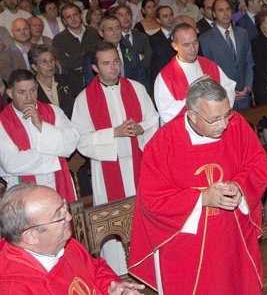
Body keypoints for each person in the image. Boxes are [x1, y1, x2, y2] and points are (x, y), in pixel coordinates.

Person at [129, 77, 267, 294]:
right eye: (214, 119)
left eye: (226, 114)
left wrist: (239, 187)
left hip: (234, 240)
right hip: (188, 252)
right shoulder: (162, 144)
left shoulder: (236, 124)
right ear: (192, 115)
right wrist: (202, 198)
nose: (223, 124)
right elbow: (152, 201)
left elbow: (256, 163)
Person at [72, 42, 158, 275]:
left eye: (116, 61)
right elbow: (80, 139)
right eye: (106, 63)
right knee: (115, 222)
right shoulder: (84, 99)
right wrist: (114, 132)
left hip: (140, 166)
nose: (113, 67)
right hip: (107, 169)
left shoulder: (137, 88)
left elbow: (154, 119)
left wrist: (141, 129)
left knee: (144, 217)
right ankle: (120, 272)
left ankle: (150, 267)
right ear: (94, 67)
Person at [0, 184, 144, 294]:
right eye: (59, 216)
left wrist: (113, 288)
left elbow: (96, 270)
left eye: (64, 207)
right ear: (31, 236)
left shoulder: (61, 243)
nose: (68, 217)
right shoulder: (13, 287)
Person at [0, 70, 78, 199]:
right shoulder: (2, 122)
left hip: (57, 184)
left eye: (33, 90)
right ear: (10, 93)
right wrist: (56, 153)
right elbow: (12, 163)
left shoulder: (53, 111)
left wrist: (41, 125)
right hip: (22, 192)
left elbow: (70, 145)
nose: (29, 97)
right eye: (22, 92)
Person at [154, 23, 236, 123]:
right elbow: (166, 112)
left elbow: (229, 88)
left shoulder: (210, 66)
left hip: (215, 125)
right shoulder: (165, 76)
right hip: (184, 132)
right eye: (186, 45)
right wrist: (200, 98)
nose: (193, 49)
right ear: (175, 46)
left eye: (195, 42)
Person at [199, 0, 254, 110]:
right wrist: (228, 91)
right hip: (222, 99)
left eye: (228, 9)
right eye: (221, 10)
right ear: (214, 14)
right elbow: (208, 72)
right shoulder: (205, 39)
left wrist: (248, 86)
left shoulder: (242, 33)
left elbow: (249, 62)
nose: (225, 13)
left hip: (244, 96)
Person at [52, 3, 101, 91]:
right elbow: (66, 63)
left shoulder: (94, 33)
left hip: (96, 80)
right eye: (68, 17)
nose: (73, 19)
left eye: (75, 15)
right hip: (72, 84)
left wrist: (74, 58)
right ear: (64, 21)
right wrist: (89, 54)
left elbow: (99, 57)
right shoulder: (58, 39)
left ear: (80, 15)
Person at [30, 45, 79, 119]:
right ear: (35, 67)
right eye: (44, 62)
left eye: (51, 60)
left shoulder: (68, 80)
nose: (50, 65)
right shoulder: (31, 89)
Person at [0, 17, 32, 83]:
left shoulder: (42, 49)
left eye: (25, 28)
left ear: (30, 30)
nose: (22, 32)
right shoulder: (4, 56)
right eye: (18, 30)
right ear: (12, 34)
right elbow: (10, 79)